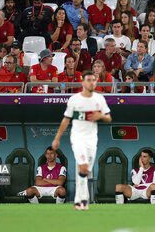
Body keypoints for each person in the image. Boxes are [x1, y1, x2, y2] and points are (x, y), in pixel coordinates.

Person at [52, 71, 112, 210]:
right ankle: (81, 201)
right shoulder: (74, 99)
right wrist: (57, 138)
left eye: (94, 80)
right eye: (89, 80)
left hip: (92, 140)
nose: (92, 82)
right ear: (83, 83)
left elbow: (109, 118)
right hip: (78, 138)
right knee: (83, 167)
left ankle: (80, 200)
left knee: (85, 171)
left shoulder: (99, 99)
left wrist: (100, 116)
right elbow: (66, 119)